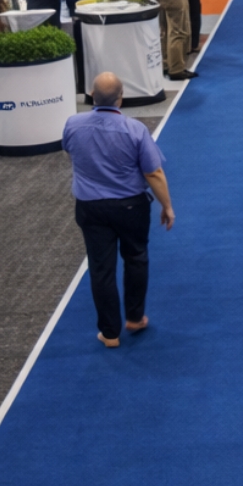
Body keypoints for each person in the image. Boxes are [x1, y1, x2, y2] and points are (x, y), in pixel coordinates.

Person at [61, 71, 174, 348]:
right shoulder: (134, 130)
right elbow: (154, 173)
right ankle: (134, 318)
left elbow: (70, 151)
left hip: (90, 208)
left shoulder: (73, 124)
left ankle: (109, 333)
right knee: (136, 258)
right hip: (130, 207)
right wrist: (167, 206)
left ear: (91, 95)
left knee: (101, 268)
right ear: (121, 99)